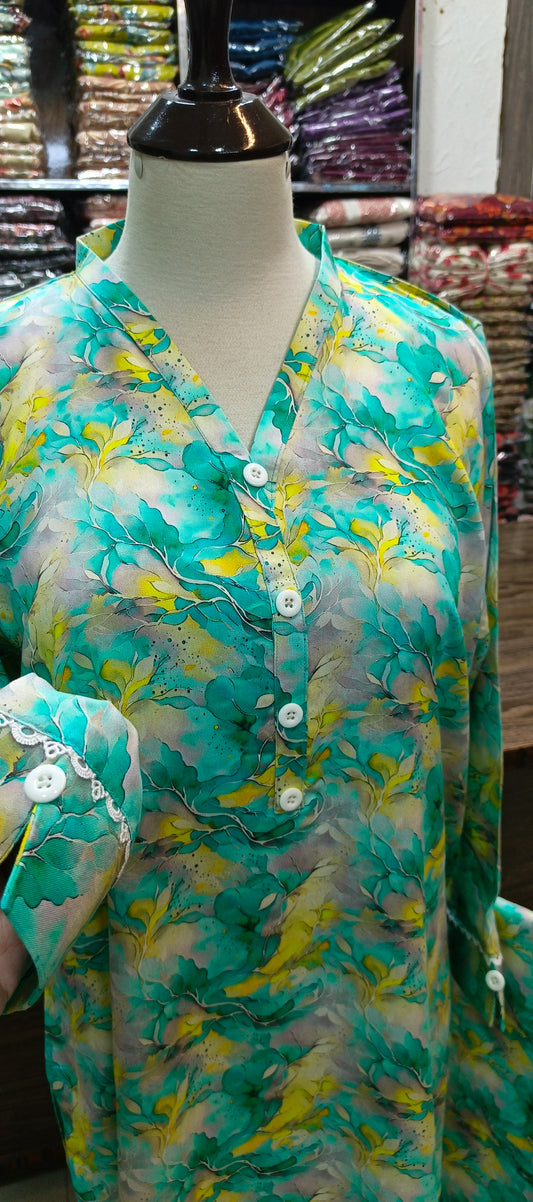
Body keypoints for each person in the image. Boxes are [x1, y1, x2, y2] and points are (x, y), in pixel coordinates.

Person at [1, 6, 533, 1199]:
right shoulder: (17, 372)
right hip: (150, 1085)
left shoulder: (437, 364)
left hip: (390, 1066)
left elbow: (465, 758)